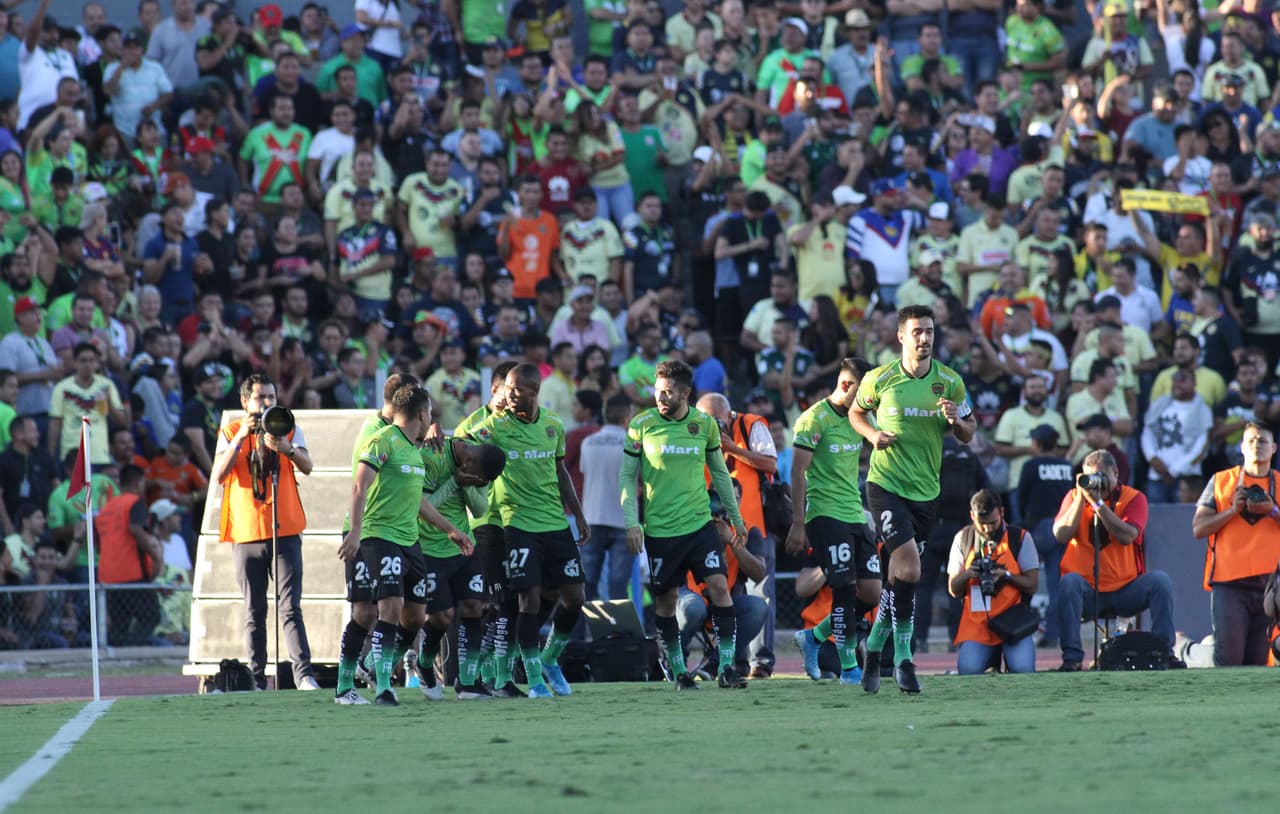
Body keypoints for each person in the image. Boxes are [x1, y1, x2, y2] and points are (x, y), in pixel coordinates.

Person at [849, 304, 975, 694]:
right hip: (885, 486)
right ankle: (904, 658)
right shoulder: (879, 378)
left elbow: (969, 434)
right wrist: (872, 437)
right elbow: (855, 413)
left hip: (927, 493)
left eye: (930, 332)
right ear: (901, 336)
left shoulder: (949, 382)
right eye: (917, 331)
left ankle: (872, 649)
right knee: (911, 569)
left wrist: (956, 420)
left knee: (899, 578)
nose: (925, 339)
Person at [620, 359, 749, 689]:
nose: (660, 399)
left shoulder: (703, 425)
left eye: (667, 393)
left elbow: (720, 473)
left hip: (699, 524)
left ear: (686, 393)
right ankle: (678, 671)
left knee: (719, 587)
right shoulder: (641, 425)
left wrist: (737, 520)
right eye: (657, 392)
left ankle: (727, 668)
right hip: (661, 530)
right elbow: (626, 475)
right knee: (666, 601)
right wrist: (632, 522)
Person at [463, 364, 590, 698]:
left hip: (555, 523)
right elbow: (460, 448)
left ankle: (549, 659)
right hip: (517, 524)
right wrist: (434, 430)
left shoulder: (553, 425)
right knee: (527, 599)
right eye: (506, 387)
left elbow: (560, 471)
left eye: (516, 388)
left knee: (575, 597)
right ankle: (534, 679)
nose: (509, 393)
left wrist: (578, 514)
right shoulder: (495, 426)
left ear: (534, 391)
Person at [339, 384, 469, 706]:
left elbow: (419, 502)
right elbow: (359, 486)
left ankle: (373, 671)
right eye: (430, 414)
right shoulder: (382, 441)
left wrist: (451, 529)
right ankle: (372, 685)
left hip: (410, 541)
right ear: (423, 414)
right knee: (382, 610)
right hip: (379, 536)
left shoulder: (414, 450)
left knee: (415, 616)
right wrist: (354, 532)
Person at [209, 374, 320, 692]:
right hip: (246, 531)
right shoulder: (231, 431)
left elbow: (308, 465)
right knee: (254, 609)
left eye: (271, 396)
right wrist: (243, 435)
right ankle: (257, 678)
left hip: (284, 528)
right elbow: (219, 474)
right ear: (245, 402)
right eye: (260, 397)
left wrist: (286, 448)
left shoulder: (288, 424)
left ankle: (303, 675)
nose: (268, 403)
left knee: (290, 606)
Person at [786, 356, 879, 685]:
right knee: (844, 586)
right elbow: (797, 470)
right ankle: (849, 668)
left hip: (854, 512)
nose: (869, 400)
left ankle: (813, 638)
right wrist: (798, 523)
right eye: (865, 392)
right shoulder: (814, 419)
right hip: (824, 514)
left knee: (871, 591)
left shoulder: (860, 417)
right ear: (845, 385)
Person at [332, 372, 415, 704]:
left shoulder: (397, 434)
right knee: (371, 611)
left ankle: (358, 682)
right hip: (366, 530)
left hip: (383, 531)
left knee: (374, 611)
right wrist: (355, 531)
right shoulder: (376, 433)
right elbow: (360, 484)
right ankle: (353, 684)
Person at [1051, 450, 1175, 671]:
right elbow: (1060, 535)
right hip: (1087, 590)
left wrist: (1099, 505)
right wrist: (1082, 498)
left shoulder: (1134, 498)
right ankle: (1072, 658)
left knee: (1160, 581)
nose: (1096, 483)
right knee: (1068, 583)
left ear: (1116, 473)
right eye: (1091, 477)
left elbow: (1127, 536)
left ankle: (1164, 651)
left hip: (1125, 590)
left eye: (1102, 477)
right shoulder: (1073, 497)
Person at [695, 390, 780, 679]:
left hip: (752, 525)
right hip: (714, 527)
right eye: (707, 421)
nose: (713, 428)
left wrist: (733, 448)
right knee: (729, 591)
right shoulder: (694, 433)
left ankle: (762, 661)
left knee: (761, 591)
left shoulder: (751, 425)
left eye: (717, 421)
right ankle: (736, 662)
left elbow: (771, 464)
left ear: (729, 416)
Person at [417, 435, 508, 700]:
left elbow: (480, 510)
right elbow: (423, 507)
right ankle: (423, 664)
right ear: (469, 459)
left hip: (463, 545)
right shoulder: (431, 455)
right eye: (478, 479)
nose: (479, 484)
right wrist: (455, 482)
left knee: (474, 606)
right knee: (442, 617)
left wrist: (467, 485)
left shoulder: (479, 462)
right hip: (429, 547)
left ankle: (467, 683)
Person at [1191, 422, 1280, 666]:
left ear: (1273, 448)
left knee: (1261, 662)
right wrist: (1232, 511)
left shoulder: (1279, 483)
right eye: (1250, 440)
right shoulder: (1221, 481)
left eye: (1262, 441)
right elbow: (1198, 528)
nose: (1256, 446)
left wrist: (1272, 510)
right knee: (1228, 660)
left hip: (1271, 587)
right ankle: (1196, 653)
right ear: (1241, 447)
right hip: (1229, 583)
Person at [947, 489, 1039, 674]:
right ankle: (990, 659)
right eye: (982, 524)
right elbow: (953, 589)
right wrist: (968, 574)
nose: (988, 528)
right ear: (972, 516)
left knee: (1023, 670)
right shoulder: (963, 539)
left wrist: (1006, 577)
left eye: (993, 522)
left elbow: (1032, 584)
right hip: (977, 625)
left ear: (1002, 513)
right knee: (968, 671)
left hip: (1013, 621)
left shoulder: (1019, 538)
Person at [1014, 425, 1074, 648]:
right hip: (1060, 527)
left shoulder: (1031, 465)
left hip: (1035, 527)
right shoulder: (1067, 466)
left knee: (1021, 579)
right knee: (1056, 586)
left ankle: (1020, 630)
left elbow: (1021, 497)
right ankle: (1053, 633)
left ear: (1036, 444)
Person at [96, 464, 163, 646]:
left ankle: (119, 655)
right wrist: (155, 555)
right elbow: (135, 529)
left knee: (119, 624)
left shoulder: (106, 508)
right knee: (151, 616)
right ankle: (132, 648)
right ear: (136, 482)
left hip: (107, 575)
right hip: (132, 573)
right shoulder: (135, 503)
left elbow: (96, 539)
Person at [579, 395, 635, 602]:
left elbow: (586, 472)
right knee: (618, 587)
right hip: (623, 521)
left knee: (587, 585)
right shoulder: (633, 445)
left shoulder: (588, 443)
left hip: (592, 518)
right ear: (627, 418)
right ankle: (616, 633)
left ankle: (578, 633)